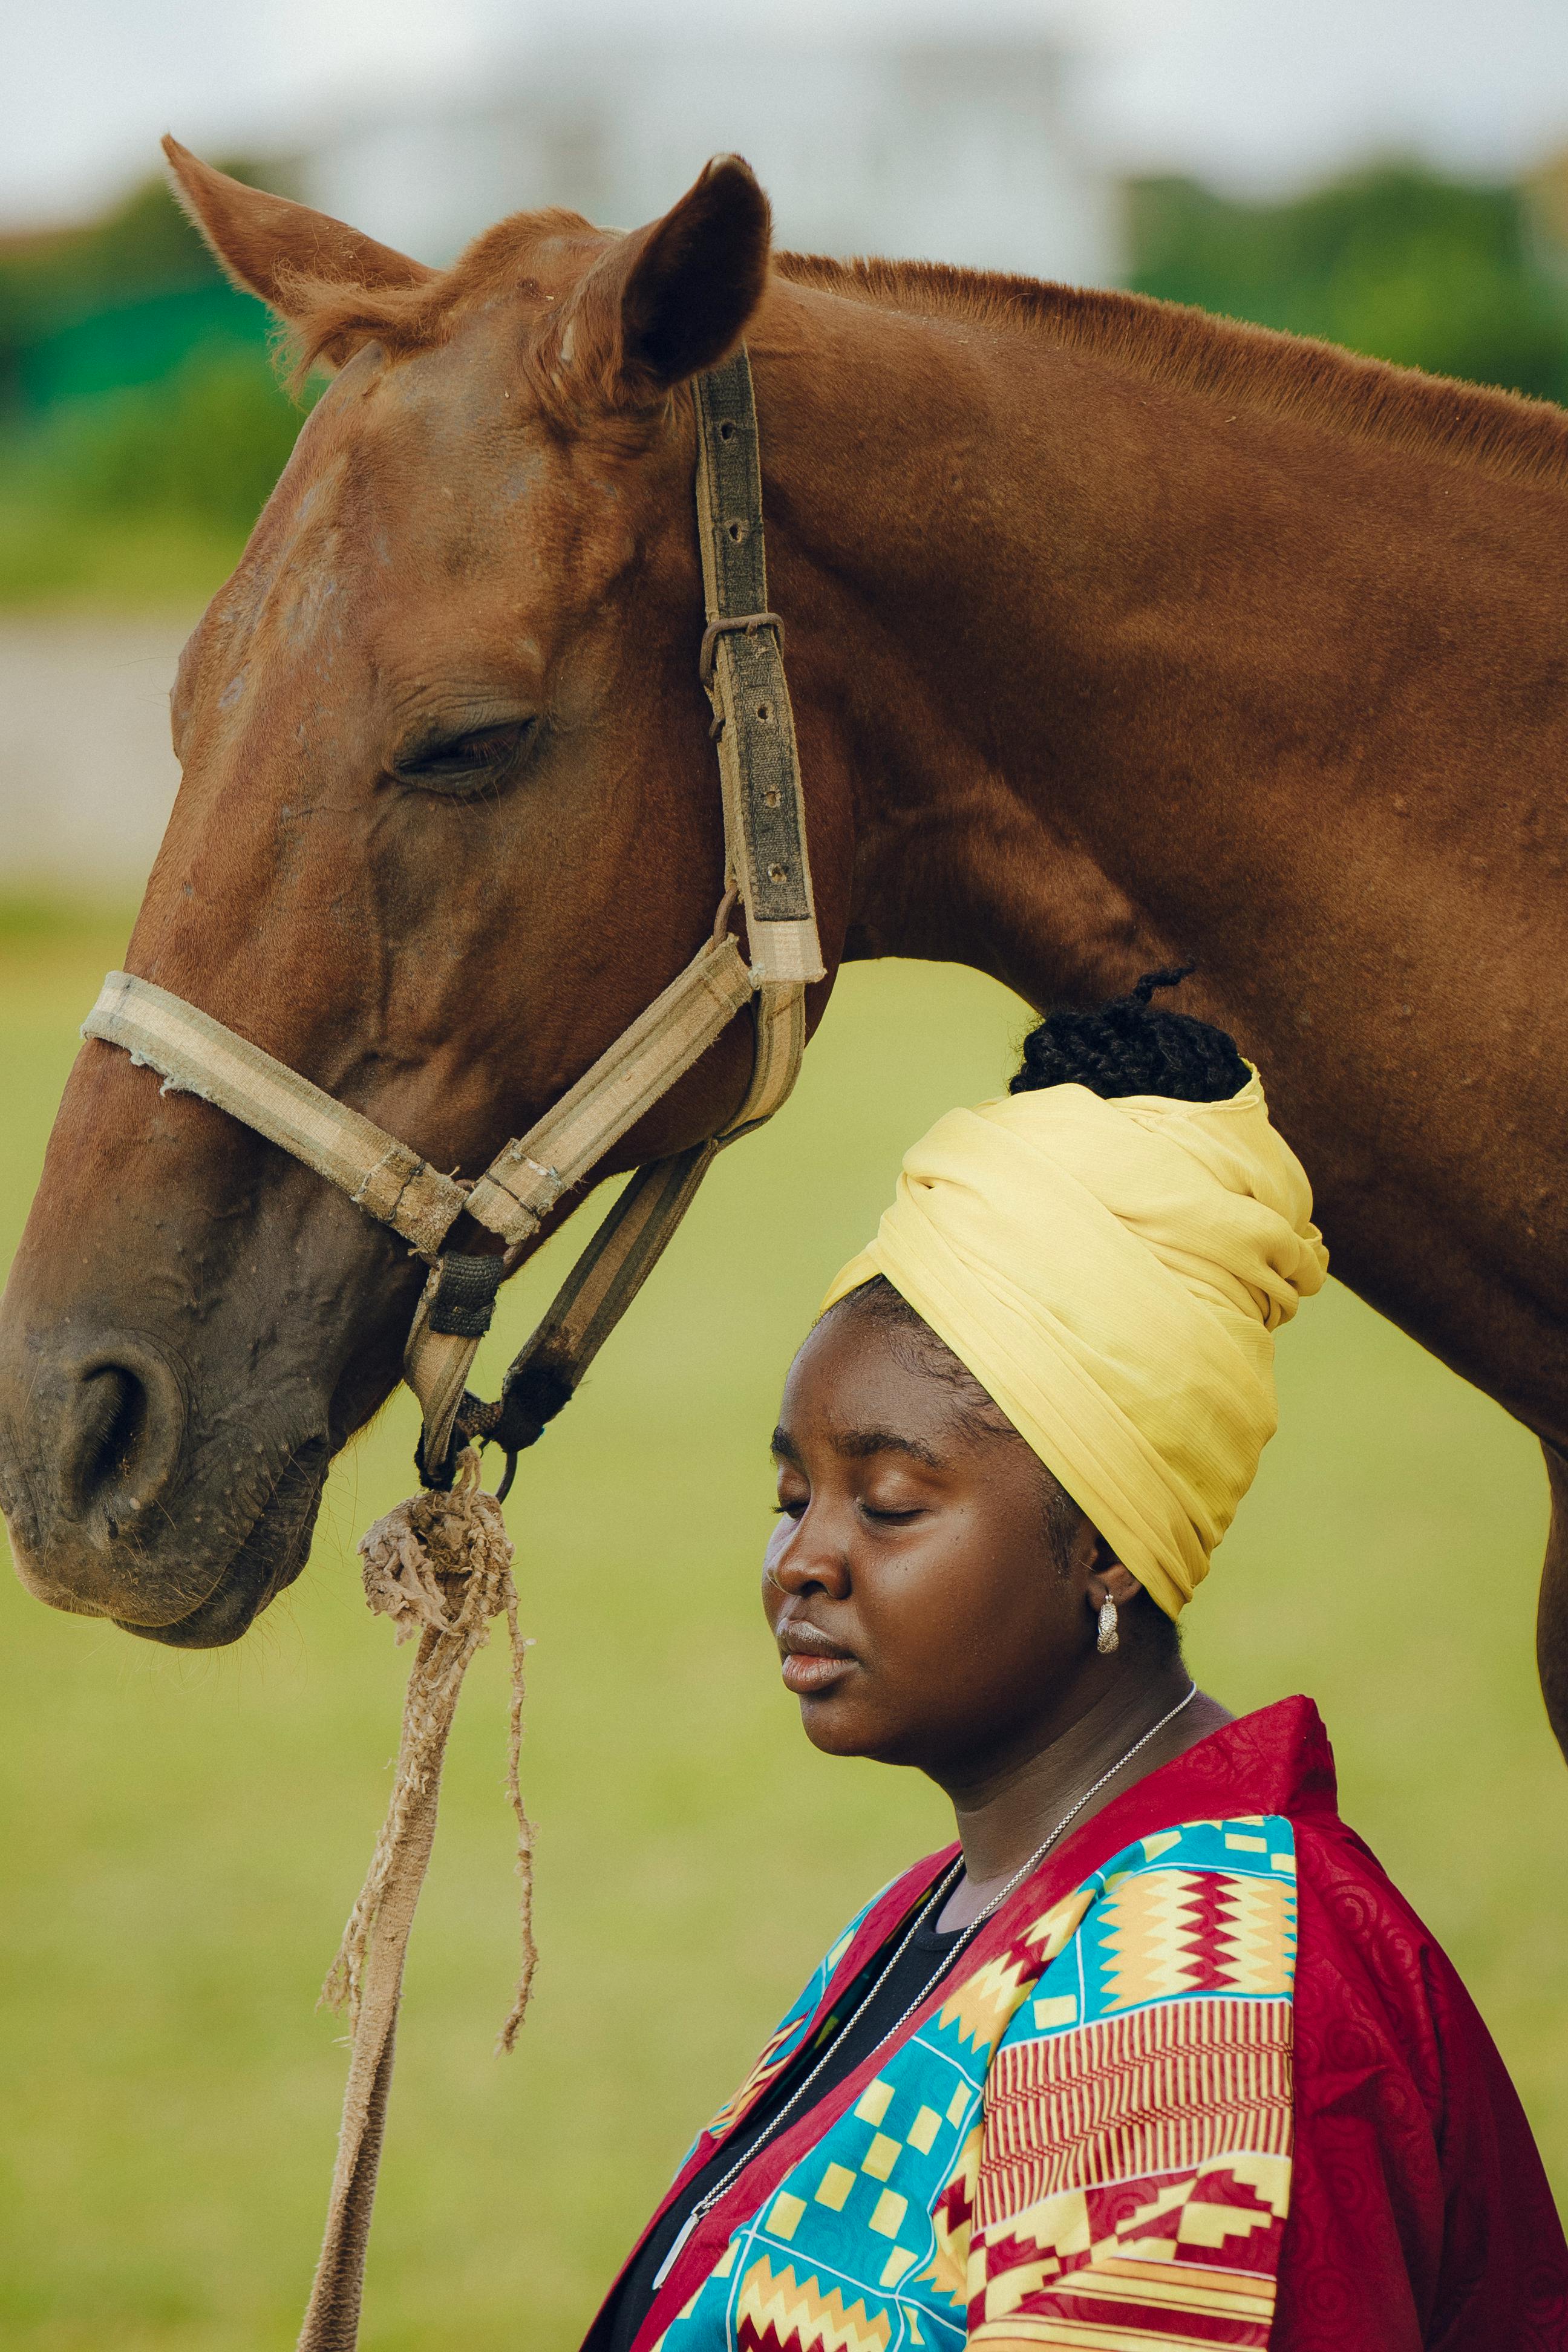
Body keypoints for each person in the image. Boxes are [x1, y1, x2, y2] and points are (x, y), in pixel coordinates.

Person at [587, 974, 1568, 2352]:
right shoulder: (952, 1910)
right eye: (790, 1494)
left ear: (1106, 1548)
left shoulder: (1191, 2000)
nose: (802, 1559)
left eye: (887, 1502)